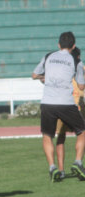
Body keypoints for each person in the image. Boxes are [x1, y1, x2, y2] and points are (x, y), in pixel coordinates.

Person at [32, 31, 85, 182]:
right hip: (66, 103)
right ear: (73, 46)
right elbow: (81, 86)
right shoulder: (76, 61)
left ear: (58, 45)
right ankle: (78, 162)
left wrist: (45, 78)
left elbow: (34, 75)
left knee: (47, 135)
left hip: (47, 102)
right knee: (82, 131)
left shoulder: (48, 56)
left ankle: (52, 167)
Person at [55, 47, 85, 179]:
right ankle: (78, 163)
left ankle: (61, 171)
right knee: (82, 134)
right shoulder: (80, 67)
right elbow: (82, 86)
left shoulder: (59, 69)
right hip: (76, 106)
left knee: (61, 137)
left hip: (59, 105)